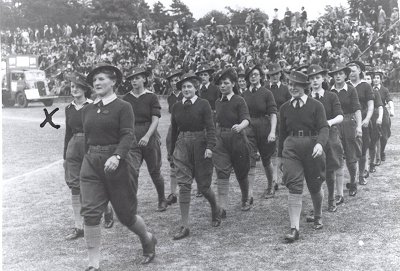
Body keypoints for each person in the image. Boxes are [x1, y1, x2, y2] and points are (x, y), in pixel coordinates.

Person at [80, 64, 157, 270]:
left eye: (102, 79)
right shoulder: (88, 109)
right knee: (90, 213)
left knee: (126, 215)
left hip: (118, 163)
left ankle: (147, 238)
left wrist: (116, 155)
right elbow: (87, 138)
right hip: (92, 163)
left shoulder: (124, 107)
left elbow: (128, 135)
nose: (97, 83)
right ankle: (93, 264)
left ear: (113, 82)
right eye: (95, 80)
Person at [170, 73, 223, 240]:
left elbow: (211, 127)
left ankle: (215, 208)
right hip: (182, 145)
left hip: (201, 144)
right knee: (184, 185)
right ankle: (184, 226)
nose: (186, 89)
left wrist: (210, 147)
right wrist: (171, 152)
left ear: (196, 88)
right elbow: (173, 131)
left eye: (189, 87)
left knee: (203, 186)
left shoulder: (204, 104)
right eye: (184, 87)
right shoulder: (177, 107)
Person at [278, 71, 329, 243]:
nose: (292, 88)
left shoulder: (316, 106)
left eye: (296, 85)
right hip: (291, 146)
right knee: (294, 185)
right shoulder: (284, 108)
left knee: (315, 185)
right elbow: (281, 133)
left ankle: (318, 214)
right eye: (290, 85)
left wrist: (320, 144)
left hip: (312, 145)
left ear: (305, 87)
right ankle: (294, 228)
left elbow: (323, 128)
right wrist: (280, 157)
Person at [63, 73, 115, 241]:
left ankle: (106, 209)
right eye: (72, 87)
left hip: (90, 145)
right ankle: (79, 226)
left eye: (78, 87)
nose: (75, 89)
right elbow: (68, 132)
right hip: (73, 147)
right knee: (75, 186)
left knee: (94, 182)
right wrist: (65, 155)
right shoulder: (69, 108)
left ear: (85, 89)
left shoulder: (93, 106)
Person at [123, 67, 168, 212]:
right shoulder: (126, 99)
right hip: (132, 138)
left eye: (137, 78)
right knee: (132, 172)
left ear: (144, 79)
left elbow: (155, 120)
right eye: (131, 79)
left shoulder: (151, 97)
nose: (134, 81)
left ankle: (162, 199)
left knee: (155, 171)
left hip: (149, 137)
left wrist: (148, 136)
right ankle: (131, 203)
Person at [213, 68, 252, 215]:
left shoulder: (239, 100)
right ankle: (222, 207)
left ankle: (245, 198)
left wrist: (240, 126)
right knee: (222, 172)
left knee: (241, 171)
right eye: (221, 83)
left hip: (237, 139)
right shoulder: (217, 102)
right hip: (221, 141)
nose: (222, 86)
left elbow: (246, 119)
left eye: (226, 83)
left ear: (233, 84)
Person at [307, 65, 343, 213]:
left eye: (317, 78)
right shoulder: (306, 98)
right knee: (314, 171)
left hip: (329, 135)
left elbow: (340, 116)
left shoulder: (331, 96)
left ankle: (331, 200)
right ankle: (317, 204)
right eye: (312, 78)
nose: (315, 81)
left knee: (329, 170)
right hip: (313, 137)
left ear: (323, 79)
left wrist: (329, 122)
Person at [242, 65, 277, 201]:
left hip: (264, 128)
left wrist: (272, 131)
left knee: (266, 159)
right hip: (248, 129)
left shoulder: (267, 93)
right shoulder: (244, 94)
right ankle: (249, 194)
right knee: (250, 161)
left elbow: (273, 113)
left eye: (256, 74)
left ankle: (270, 185)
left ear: (261, 77)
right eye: (250, 75)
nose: (253, 77)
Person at [329, 63, 362, 201]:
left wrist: (359, 126)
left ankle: (353, 183)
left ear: (345, 75)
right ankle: (339, 194)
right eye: (335, 74)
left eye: (340, 73)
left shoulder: (351, 90)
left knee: (351, 157)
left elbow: (357, 109)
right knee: (337, 157)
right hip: (334, 125)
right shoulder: (329, 91)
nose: (337, 76)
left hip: (349, 123)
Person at [346, 61, 374, 188]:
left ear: (359, 71)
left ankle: (361, 175)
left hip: (362, 122)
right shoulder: (345, 86)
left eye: (353, 71)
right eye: (349, 71)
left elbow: (370, 105)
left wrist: (367, 119)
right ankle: (352, 178)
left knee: (362, 151)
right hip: (347, 123)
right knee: (350, 151)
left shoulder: (365, 86)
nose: (351, 73)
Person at [266, 63, 291, 188]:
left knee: (284, 148)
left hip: (283, 121)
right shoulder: (265, 89)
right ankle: (274, 180)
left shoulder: (286, 89)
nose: (274, 77)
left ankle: (284, 175)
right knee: (272, 151)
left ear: (280, 74)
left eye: (276, 74)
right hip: (268, 122)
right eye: (272, 75)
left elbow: (290, 106)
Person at [165, 69, 183, 205]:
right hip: (174, 129)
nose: (174, 83)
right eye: (172, 81)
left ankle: (200, 188)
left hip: (187, 129)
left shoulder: (187, 92)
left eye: (176, 80)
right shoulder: (170, 97)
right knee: (172, 159)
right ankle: (173, 193)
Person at [373, 70, 394, 163]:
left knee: (384, 135)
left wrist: (392, 110)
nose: (375, 80)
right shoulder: (369, 89)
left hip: (383, 112)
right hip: (372, 112)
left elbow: (389, 100)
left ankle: (381, 151)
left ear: (381, 80)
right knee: (373, 134)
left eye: (377, 78)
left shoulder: (384, 90)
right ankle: (373, 154)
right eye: (374, 78)